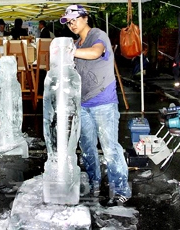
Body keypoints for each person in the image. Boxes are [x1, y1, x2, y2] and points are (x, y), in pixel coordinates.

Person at [60, 5, 132, 205]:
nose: (72, 24)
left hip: (104, 103)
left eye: (75, 19)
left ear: (85, 17)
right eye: (69, 22)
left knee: (110, 148)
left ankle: (120, 189)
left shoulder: (98, 35)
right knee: (87, 147)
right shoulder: (76, 42)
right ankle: (94, 182)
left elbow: (95, 53)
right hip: (82, 104)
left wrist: (73, 52)